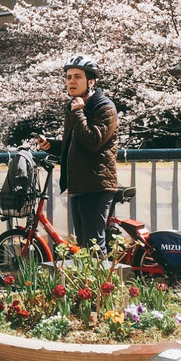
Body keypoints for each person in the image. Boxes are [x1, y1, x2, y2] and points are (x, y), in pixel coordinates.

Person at [37, 55, 118, 253]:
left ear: (91, 81)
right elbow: (75, 143)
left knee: (93, 246)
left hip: (96, 185)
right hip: (79, 184)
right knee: (83, 245)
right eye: (68, 77)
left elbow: (93, 141)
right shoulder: (76, 106)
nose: (71, 81)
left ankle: (101, 284)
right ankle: (90, 284)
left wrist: (79, 113)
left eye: (77, 77)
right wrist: (52, 145)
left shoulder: (104, 107)